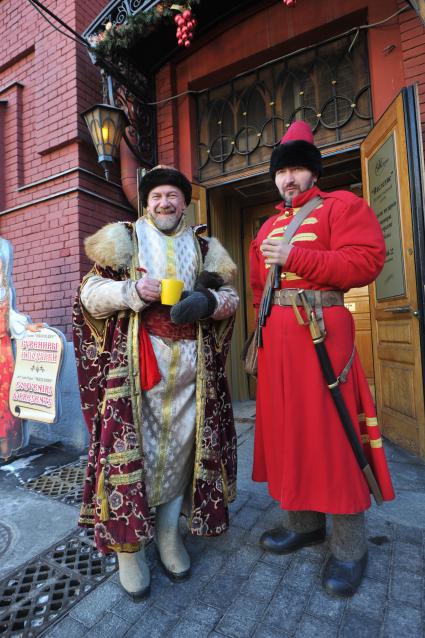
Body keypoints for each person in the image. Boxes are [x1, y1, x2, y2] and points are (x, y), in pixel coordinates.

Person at [73, 166, 239, 601]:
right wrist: (131, 292)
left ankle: (167, 536)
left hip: (191, 377)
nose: (164, 203)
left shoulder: (206, 248)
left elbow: (232, 299)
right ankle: (129, 551)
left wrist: (208, 302)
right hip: (136, 374)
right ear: (146, 203)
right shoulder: (123, 238)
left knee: (181, 455)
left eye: (172, 196)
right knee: (133, 458)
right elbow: (88, 294)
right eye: (157, 197)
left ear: (185, 203)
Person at [249, 121, 395, 597]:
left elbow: (366, 261)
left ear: (313, 172)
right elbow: (258, 287)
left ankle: (350, 547)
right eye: (281, 172)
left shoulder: (343, 206)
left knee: (334, 434)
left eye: (296, 169)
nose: (287, 179)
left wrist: (296, 257)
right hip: (278, 346)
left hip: (322, 338)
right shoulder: (266, 225)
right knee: (290, 432)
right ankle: (305, 525)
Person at [0, 237, 42, 460]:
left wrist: (27, 326)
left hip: (3, 353)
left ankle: (6, 448)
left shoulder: (5, 292)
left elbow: (11, 316)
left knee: (6, 400)